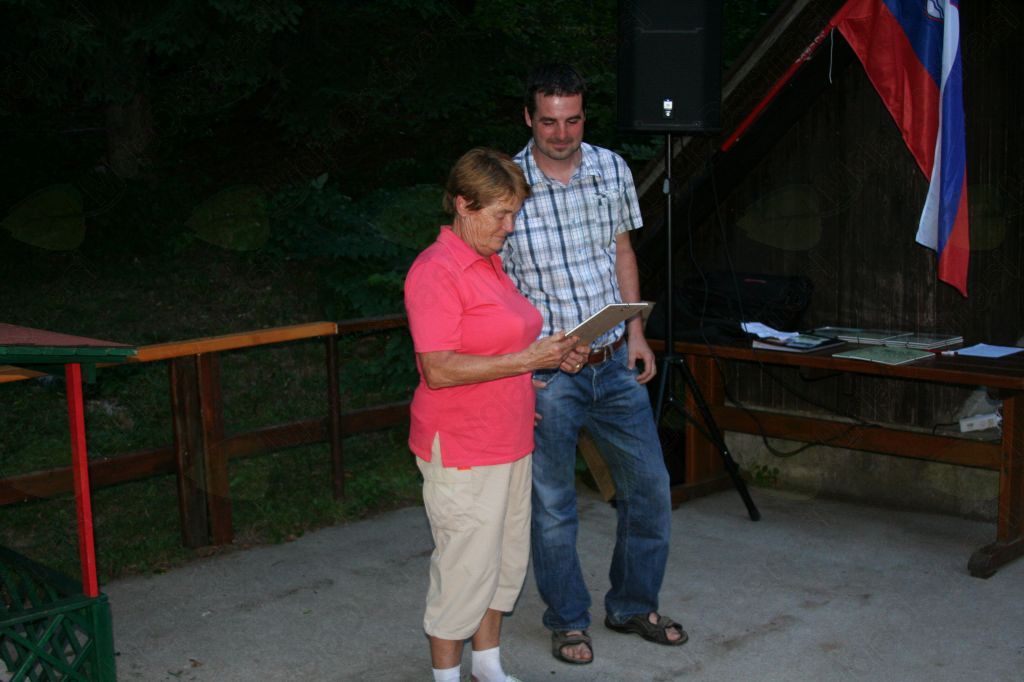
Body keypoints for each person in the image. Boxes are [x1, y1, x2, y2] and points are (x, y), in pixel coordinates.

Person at [501, 64, 687, 665]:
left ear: (585, 116)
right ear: (528, 118)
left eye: (573, 120)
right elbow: (492, 286)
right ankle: (567, 621)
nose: (561, 133)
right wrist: (528, 358)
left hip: (612, 362)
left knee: (650, 487)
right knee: (554, 506)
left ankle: (632, 605)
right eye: (548, 121)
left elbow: (622, 251)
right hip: (547, 372)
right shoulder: (506, 184)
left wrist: (637, 333)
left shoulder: (612, 167)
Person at [404, 147, 586, 682]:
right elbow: (439, 368)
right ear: (464, 204)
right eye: (501, 214)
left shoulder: (490, 263)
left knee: (503, 563)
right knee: (464, 569)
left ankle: (487, 667)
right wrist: (529, 360)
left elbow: (496, 349)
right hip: (464, 445)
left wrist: (549, 361)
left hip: (510, 437)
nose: (511, 227)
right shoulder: (435, 271)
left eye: (514, 214)